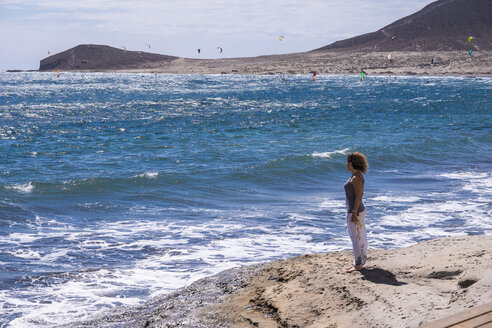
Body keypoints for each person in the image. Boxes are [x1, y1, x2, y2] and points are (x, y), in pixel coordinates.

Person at [344, 152, 368, 273]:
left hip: (355, 211)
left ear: (351, 163)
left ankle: (358, 264)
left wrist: (353, 212)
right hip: (358, 210)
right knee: (358, 237)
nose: (346, 164)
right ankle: (358, 261)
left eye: (347, 162)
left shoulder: (355, 178)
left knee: (356, 238)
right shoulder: (357, 175)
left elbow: (359, 195)